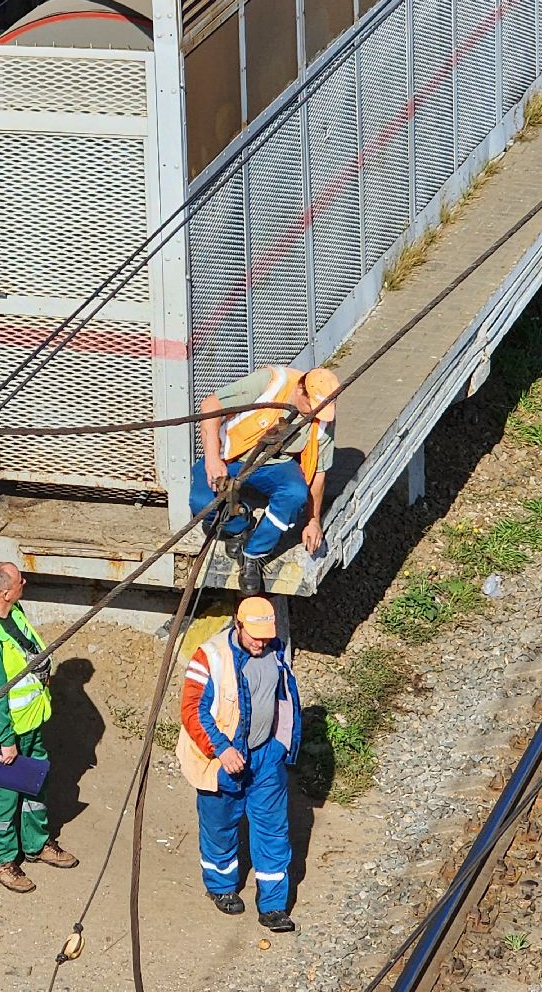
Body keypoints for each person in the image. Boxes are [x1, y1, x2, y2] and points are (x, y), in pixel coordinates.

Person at [177, 596, 301, 933]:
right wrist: (221, 749)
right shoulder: (210, 656)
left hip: (265, 757)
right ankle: (221, 888)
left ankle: (274, 906)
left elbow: (284, 696)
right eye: (254, 635)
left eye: (266, 635)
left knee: (273, 831)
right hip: (222, 761)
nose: (260, 642)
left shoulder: (275, 649)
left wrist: (280, 745)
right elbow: (192, 710)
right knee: (219, 827)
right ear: (238, 623)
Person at [0, 561, 78, 893]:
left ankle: (36, 845)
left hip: (30, 725)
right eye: (19, 579)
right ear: (6, 592)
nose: (25, 581)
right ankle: (2, 861)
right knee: (0, 800)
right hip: (3, 735)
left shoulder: (14, 612)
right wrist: (4, 741)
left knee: (33, 789)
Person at [190, 365, 341, 594]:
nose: (314, 415)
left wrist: (313, 520)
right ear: (301, 390)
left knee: (294, 494)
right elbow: (210, 405)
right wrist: (212, 459)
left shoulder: (323, 418)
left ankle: (254, 553)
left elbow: (319, 473)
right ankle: (239, 525)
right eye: (312, 406)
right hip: (232, 457)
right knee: (202, 502)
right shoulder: (273, 382)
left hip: (276, 465)